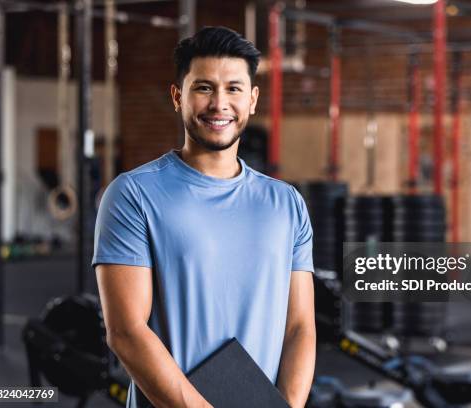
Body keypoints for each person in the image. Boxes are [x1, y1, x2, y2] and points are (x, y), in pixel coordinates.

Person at [93, 26, 316, 408]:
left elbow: (299, 327)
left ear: (253, 99)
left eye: (233, 88)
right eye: (204, 88)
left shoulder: (287, 204)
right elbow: (126, 332)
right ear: (178, 97)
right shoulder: (133, 195)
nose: (219, 104)